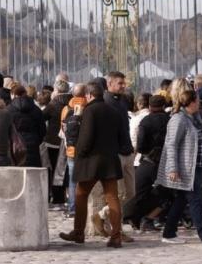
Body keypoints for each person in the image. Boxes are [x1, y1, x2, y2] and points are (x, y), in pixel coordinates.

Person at [59, 81, 128, 248]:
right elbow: (122, 136)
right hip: (110, 160)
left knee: (81, 195)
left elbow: (86, 137)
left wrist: (79, 153)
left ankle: (78, 232)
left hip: (91, 161)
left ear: (89, 95)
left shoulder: (89, 111)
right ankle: (116, 236)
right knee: (112, 198)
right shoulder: (113, 111)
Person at [156, 89, 202, 246]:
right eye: (197, 100)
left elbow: (194, 137)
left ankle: (169, 233)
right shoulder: (178, 119)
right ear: (191, 102)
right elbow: (172, 145)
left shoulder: (194, 117)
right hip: (185, 168)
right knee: (195, 199)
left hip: (195, 166)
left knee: (181, 200)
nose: (200, 103)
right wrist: (172, 168)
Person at [126, 95, 169, 231]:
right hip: (165, 161)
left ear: (149, 107)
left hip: (148, 160)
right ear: (163, 106)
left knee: (140, 191)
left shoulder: (145, 121)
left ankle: (133, 216)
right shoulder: (169, 120)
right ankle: (149, 218)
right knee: (166, 193)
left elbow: (141, 144)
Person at [103, 72, 135, 220]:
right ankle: (113, 224)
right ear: (110, 84)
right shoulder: (105, 102)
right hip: (115, 153)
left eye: (124, 83)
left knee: (131, 193)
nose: (123, 86)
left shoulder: (122, 101)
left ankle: (104, 217)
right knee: (119, 193)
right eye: (120, 83)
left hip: (127, 151)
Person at [42, 79, 72, 208]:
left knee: (54, 169)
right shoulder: (71, 101)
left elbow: (43, 117)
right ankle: (66, 195)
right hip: (68, 140)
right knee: (66, 169)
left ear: (57, 90)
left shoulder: (53, 104)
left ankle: (57, 196)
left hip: (53, 141)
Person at [60, 83, 88, 218]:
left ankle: (72, 208)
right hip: (86, 149)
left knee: (72, 180)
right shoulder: (89, 106)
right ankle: (86, 207)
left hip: (71, 149)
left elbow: (63, 128)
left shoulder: (66, 108)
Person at [7, 85, 46, 167]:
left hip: (15, 145)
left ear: (14, 94)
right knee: (33, 173)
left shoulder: (8, 110)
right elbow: (42, 130)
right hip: (33, 144)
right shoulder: (36, 109)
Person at [130, 93, 152, 166]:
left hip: (138, 159)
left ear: (139, 104)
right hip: (153, 158)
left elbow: (133, 139)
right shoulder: (154, 117)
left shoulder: (136, 118)